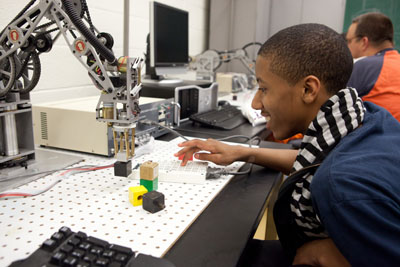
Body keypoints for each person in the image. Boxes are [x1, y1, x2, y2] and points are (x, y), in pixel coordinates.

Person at [174, 23, 400, 266]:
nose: (256, 104)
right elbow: (317, 163)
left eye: (264, 89)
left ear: (308, 89)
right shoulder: (363, 118)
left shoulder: (341, 186)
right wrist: (243, 153)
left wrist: (324, 255)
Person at [346, 12, 400, 122]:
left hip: (379, 136)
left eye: (349, 40)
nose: (347, 45)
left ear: (364, 42)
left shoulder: (363, 66)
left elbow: (334, 106)